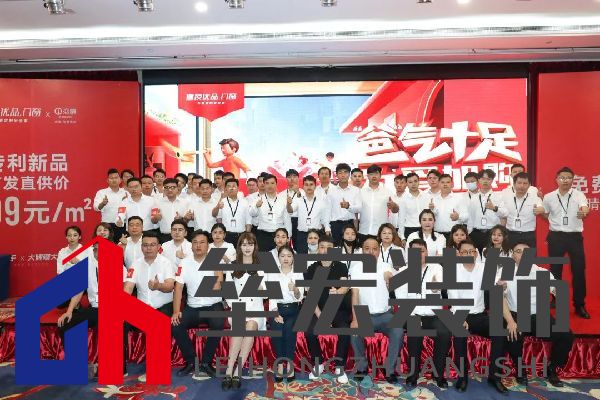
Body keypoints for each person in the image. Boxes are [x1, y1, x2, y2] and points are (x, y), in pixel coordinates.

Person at [503, 242, 575, 387]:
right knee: (512, 335)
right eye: (518, 251)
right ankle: (520, 370)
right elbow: (500, 298)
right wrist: (510, 321)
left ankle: (552, 369)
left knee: (566, 335)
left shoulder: (542, 272)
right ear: (513, 255)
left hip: (539, 315)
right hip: (516, 315)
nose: (522, 255)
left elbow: (557, 290)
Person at [446, 239, 509, 394]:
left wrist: (501, 284)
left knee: (500, 331)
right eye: (465, 252)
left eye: (471, 251)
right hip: (460, 314)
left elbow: (497, 282)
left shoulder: (483, 268)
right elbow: (453, 297)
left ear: (476, 253)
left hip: (480, 315)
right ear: (459, 254)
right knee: (459, 333)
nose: (469, 254)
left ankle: (495, 377)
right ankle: (462, 377)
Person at [392, 239, 450, 388]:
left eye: (422, 251)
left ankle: (438, 374)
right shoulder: (403, 270)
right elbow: (401, 298)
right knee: (414, 331)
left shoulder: (436, 267)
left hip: (433, 315)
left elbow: (440, 285)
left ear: (427, 252)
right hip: (412, 314)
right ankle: (413, 374)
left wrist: (436, 287)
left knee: (444, 332)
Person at [57, 243, 117, 378]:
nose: (99, 253)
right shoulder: (87, 267)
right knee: (65, 324)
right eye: (96, 250)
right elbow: (79, 291)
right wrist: (69, 311)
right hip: (94, 308)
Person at [172, 230, 225, 377]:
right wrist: (176, 311)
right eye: (195, 242)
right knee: (176, 325)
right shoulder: (184, 263)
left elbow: (218, 286)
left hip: (213, 305)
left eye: (202, 242)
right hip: (193, 306)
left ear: (208, 245)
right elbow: (178, 288)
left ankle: (206, 363)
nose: (198, 245)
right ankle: (191, 362)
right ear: (191, 245)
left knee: (218, 323)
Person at [350, 237, 404, 384]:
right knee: (354, 332)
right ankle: (362, 367)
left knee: (398, 331)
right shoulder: (356, 269)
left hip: (386, 314)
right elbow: (355, 295)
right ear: (362, 251)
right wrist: (355, 319)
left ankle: (389, 369)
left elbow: (389, 276)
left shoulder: (386, 266)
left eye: (374, 249)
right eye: (367, 248)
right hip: (364, 314)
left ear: (379, 251)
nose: (371, 252)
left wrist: (389, 279)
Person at [123, 232, 175, 377]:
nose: (149, 248)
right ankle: (119, 367)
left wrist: (158, 286)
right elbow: (128, 287)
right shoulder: (135, 264)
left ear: (159, 247)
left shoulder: (166, 263)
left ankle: (156, 368)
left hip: (163, 306)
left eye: (152, 245)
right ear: (141, 247)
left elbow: (170, 286)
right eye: (145, 245)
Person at [542, 166, 591, 319]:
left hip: (574, 238)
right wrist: (552, 220)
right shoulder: (549, 197)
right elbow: (545, 214)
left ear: (572, 180)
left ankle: (579, 304)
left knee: (578, 270)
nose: (565, 180)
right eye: (562, 177)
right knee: (555, 270)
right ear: (556, 179)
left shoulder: (579, 195)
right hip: (556, 237)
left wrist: (584, 212)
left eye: (569, 178)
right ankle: (556, 300)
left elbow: (585, 208)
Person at [304, 236, 352, 384]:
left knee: (345, 330)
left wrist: (338, 291)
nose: (325, 250)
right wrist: (320, 315)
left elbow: (345, 287)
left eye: (329, 248)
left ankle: (339, 366)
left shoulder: (341, 266)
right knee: (309, 331)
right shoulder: (312, 268)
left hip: (337, 309)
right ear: (318, 249)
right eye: (322, 247)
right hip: (317, 309)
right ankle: (318, 363)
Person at [222, 233, 266, 391]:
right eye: (244, 244)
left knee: (251, 326)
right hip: (238, 307)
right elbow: (228, 292)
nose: (247, 248)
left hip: (256, 309)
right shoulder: (233, 265)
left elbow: (267, 293)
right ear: (240, 246)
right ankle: (229, 370)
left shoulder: (262, 266)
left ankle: (237, 372)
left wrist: (260, 287)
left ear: (255, 246)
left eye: (250, 244)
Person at [265, 245, 304, 382]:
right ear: (278, 258)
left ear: (293, 258)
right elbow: (272, 296)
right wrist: (275, 313)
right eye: (282, 256)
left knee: (289, 332)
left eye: (289, 256)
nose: (285, 258)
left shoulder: (298, 273)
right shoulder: (273, 273)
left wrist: (295, 290)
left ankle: (290, 365)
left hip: (293, 309)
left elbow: (299, 297)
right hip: (277, 308)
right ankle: (280, 365)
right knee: (277, 331)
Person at [287, 175, 331, 253]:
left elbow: (325, 218)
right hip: (302, 234)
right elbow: (290, 211)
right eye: (306, 185)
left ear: (315, 186)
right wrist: (288, 204)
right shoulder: (298, 200)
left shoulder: (321, 201)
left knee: (318, 257)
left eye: (311, 184)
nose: (309, 187)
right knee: (302, 258)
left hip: (317, 234)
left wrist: (327, 229)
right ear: (303, 187)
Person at [467, 169, 507, 253]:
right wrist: (469, 233)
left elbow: (505, 213)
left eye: (488, 179)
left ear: (492, 181)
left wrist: (494, 208)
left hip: (492, 233)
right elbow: (471, 217)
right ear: (478, 180)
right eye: (483, 179)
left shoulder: (498, 196)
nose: (485, 181)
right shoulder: (474, 197)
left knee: (492, 258)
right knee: (476, 257)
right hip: (476, 233)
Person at [249, 174, 292, 251]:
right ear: (264, 184)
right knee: (264, 258)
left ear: (276, 184)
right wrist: (256, 206)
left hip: (279, 236)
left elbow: (287, 219)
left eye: (272, 183)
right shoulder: (258, 199)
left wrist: (288, 236)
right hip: (263, 235)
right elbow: (252, 214)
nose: (270, 186)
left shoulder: (283, 200)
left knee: (280, 257)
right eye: (267, 183)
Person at [502, 172, 544, 248]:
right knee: (509, 255)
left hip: (528, 235)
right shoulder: (506, 197)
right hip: (510, 235)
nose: (522, 186)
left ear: (529, 185)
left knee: (528, 256)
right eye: (519, 183)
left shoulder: (534, 197)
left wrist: (540, 209)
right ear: (514, 184)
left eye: (525, 183)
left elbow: (540, 207)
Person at [358, 164, 398, 240]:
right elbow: (356, 210)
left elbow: (395, 210)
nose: (374, 176)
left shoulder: (387, 192)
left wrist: (394, 206)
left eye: (376, 173)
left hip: (380, 233)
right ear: (367, 176)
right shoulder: (361, 192)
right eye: (371, 174)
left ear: (380, 175)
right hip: (364, 231)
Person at [327, 163, 361, 246]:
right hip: (335, 225)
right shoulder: (331, 190)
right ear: (336, 175)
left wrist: (349, 206)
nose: (343, 175)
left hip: (349, 224)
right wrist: (327, 227)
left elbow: (359, 208)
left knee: (349, 249)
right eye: (340, 172)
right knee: (335, 250)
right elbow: (327, 210)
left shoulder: (356, 190)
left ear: (349, 174)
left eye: (345, 172)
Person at [152, 178, 192, 244]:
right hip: (164, 237)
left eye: (173, 187)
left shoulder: (185, 202)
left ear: (177, 188)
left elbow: (187, 220)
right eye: (166, 187)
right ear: (163, 189)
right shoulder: (157, 202)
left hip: (181, 236)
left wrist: (182, 219)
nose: (170, 190)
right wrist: (156, 218)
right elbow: (153, 221)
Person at [94, 168, 128, 242]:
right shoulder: (101, 192)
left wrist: (127, 201)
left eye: (116, 178)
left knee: (122, 247)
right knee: (108, 247)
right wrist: (103, 203)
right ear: (107, 180)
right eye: (111, 178)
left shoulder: (126, 192)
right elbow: (96, 208)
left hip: (123, 225)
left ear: (120, 180)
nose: (114, 180)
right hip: (107, 226)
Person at [214, 178, 252, 246]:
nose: (231, 188)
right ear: (225, 189)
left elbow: (248, 221)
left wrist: (247, 236)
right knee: (225, 252)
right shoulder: (222, 202)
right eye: (229, 186)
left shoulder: (245, 202)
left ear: (238, 188)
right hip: (226, 236)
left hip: (241, 235)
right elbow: (218, 219)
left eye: (234, 186)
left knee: (240, 253)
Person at [431, 174, 468, 238]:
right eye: (442, 182)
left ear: (452, 184)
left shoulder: (459, 198)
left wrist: (458, 217)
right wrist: (432, 210)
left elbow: (466, 215)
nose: (445, 184)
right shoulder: (433, 199)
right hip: (437, 234)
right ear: (439, 184)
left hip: (454, 235)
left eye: (448, 182)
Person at [400, 172, 429, 240]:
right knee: (412, 248)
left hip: (425, 229)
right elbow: (401, 218)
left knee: (427, 247)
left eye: (415, 181)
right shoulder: (403, 198)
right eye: (410, 182)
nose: (413, 184)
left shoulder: (426, 196)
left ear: (419, 182)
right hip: (410, 229)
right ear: (406, 184)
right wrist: (402, 237)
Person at [279, 169, 304, 247]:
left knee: (298, 247)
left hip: (299, 222)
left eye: (294, 176)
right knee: (284, 247)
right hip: (284, 221)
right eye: (289, 177)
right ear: (286, 179)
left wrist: (298, 193)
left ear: (298, 178)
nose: (292, 179)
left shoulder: (304, 192)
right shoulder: (281, 194)